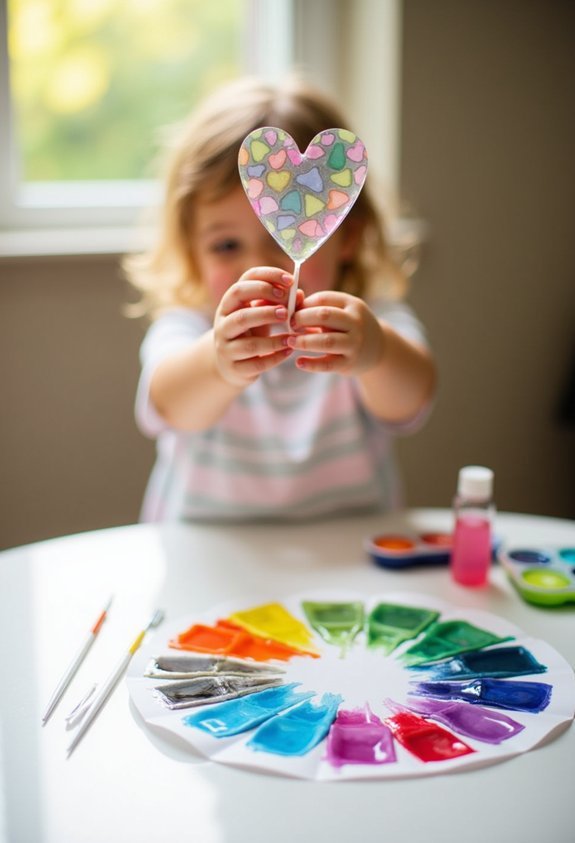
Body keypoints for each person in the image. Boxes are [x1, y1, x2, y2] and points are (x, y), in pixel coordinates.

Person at [124, 75, 436, 522]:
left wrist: (377, 352)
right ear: (192, 248)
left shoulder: (367, 323)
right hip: (210, 551)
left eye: (285, 234)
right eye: (226, 245)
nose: (256, 265)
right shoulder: (190, 329)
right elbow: (169, 406)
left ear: (346, 237)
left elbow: (412, 399)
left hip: (343, 549)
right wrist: (217, 362)